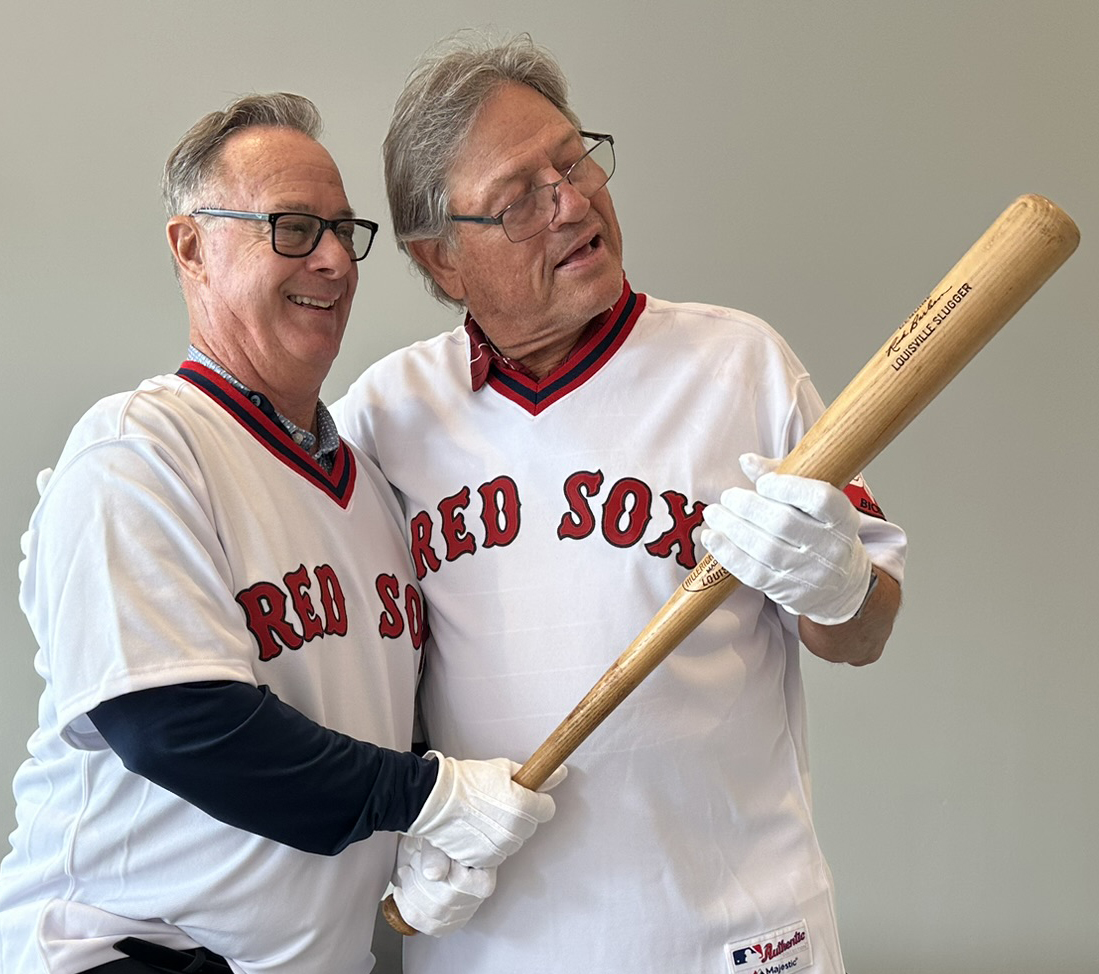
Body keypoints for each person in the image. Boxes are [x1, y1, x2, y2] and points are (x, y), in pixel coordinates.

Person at [331, 33, 907, 974]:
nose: (571, 201)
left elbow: (866, 629)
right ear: (441, 261)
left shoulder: (739, 362)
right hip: (496, 940)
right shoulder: (384, 417)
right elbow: (353, 670)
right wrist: (404, 825)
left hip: (733, 928)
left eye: (572, 159)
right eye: (518, 199)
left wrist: (839, 583)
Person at [0, 92, 563, 974]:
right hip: (123, 955)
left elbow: (352, 720)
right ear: (193, 247)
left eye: (345, 230)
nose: (334, 260)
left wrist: (416, 842)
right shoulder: (140, 450)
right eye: (294, 229)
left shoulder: (373, 494)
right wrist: (427, 798)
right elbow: (175, 724)